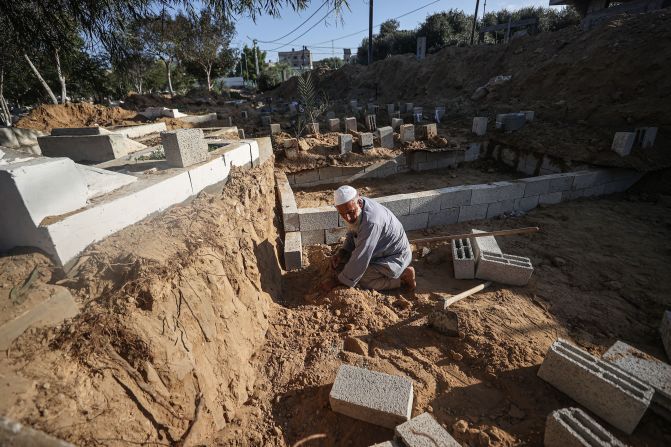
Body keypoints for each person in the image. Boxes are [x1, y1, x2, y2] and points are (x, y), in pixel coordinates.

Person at [321, 185, 416, 292]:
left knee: (362, 280)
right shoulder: (357, 207)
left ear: (359, 202)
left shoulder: (371, 222)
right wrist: (343, 252)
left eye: (350, 212)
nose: (347, 218)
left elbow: (362, 256)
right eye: (342, 214)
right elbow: (353, 232)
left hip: (395, 257)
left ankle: (402, 277)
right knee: (348, 266)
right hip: (381, 251)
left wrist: (338, 281)